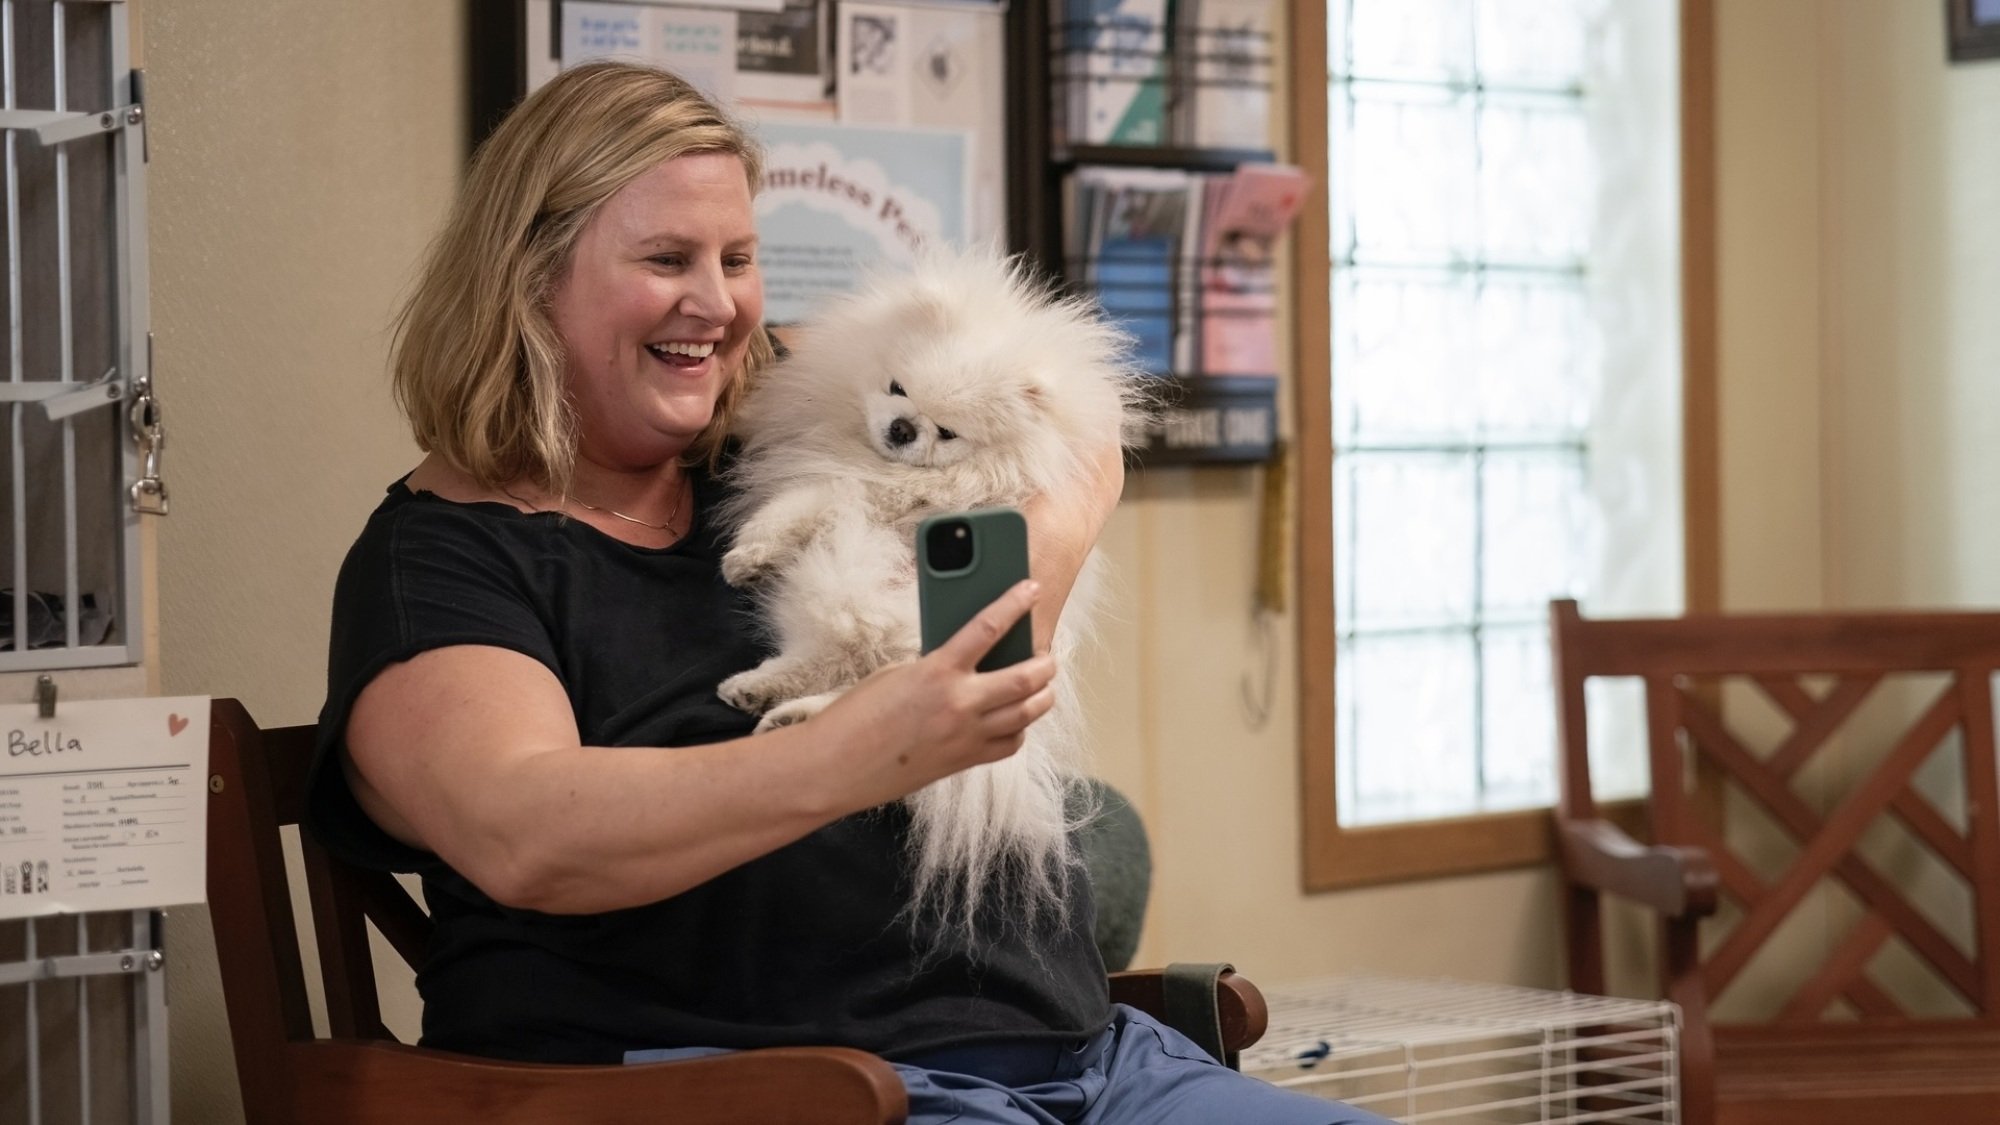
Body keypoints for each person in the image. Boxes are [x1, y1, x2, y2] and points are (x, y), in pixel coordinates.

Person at [306, 60, 1388, 1125]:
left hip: (1094, 1065)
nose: (719, 304)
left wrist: (994, 617)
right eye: (667, 258)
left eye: (738, 257)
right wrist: (866, 747)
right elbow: (526, 836)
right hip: (773, 1093)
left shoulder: (771, 431)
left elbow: (1080, 419)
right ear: (529, 274)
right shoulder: (441, 564)